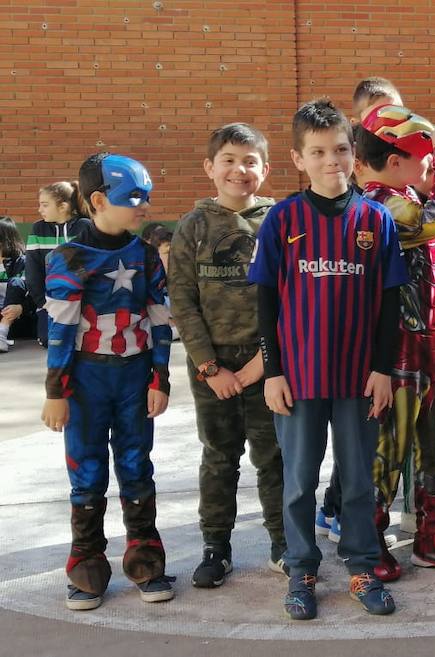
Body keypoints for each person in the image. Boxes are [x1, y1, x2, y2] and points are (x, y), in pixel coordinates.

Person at [248, 99, 406, 620]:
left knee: (359, 479)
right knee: (298, 481)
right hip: (297, 377)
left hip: (359, 378)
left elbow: (389, 305)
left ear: (354, 152)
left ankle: (361, 564)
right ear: (298, 158)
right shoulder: (282, 220)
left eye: (339, 149)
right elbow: (265, 300)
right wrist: (272, 372)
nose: (330, 160)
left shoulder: (375, 219)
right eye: (317, 151)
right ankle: (301, 570)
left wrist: (383, 368)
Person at [41, 153, 174, 610]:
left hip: (136, 377)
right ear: (98, 200)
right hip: (86, 380)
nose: (143, 206)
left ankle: (145, 558)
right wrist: (56, 391)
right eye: (133, 197)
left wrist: (162, 378)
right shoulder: (69, 257)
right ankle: (86, 563)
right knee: (87, 470)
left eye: (147, 197)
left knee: (138, 466)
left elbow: (159, 319)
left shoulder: (144, 255)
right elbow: (60, 330)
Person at [356, 104, 435, 579]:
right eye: (426, 161)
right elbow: (433, 219)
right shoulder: (376, 203)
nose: (432, 169)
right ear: (395, 161)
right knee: (389, 445)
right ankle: (371, 535)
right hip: (398, 352)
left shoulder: (402, 193)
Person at [168, 123, 286, 588]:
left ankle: (283, 542)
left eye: (250, 161)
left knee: (273, 456)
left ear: (266, 168)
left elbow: (289, 297)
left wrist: (264, 360)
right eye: (229, 160)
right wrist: (209, 366)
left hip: (268, 365)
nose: (240, 169)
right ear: (210, 168)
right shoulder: (193, 226)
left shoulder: (278, 221)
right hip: (210, 365)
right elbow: (182, 300)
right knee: (219, 458)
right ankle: (216, 547)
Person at [26, 180, 91, 347]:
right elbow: (33, 272)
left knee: (84, 341)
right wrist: (44, 303)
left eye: (45, 205)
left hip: (84, 302)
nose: (40, 209)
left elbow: (93, 267)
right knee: (52, 341)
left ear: (63, 207)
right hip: (50, 303)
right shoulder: (38, 229)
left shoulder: (85, 226)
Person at [0, 216, 37, 351]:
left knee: (16, 282)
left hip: (18, 321)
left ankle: (2, 333)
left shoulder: (23, 262)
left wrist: (21, 308)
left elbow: (36, 293)